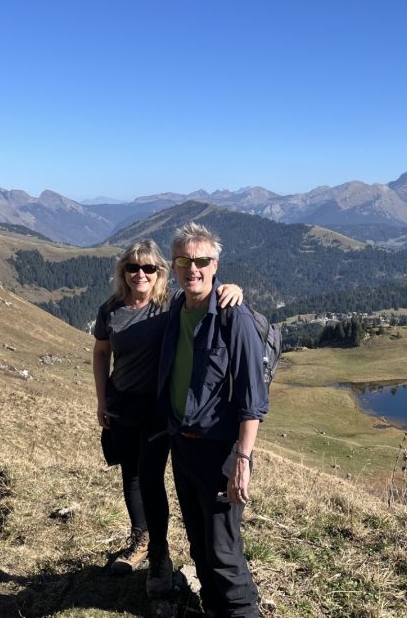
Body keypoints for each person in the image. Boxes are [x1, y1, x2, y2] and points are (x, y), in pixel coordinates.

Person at [93, 239, 243, 598]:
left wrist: (233, 288)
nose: (139, 274)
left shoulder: (168, 306)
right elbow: (101, 352)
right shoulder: (111, 310)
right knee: (130, 476)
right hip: (122, 406)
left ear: (160, 272)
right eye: (132, 267)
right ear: (123, 272)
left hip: (159, 412)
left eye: (148, 268)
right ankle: (141, 541)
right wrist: (102, 400)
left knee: (149, 478)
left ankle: (160, 556)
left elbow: (201, 292)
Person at [158, 223, 268, 617]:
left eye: (202, 261)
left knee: (223, 549)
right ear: (174, 266)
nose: (194, 269)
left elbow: (253, 399)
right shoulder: (175, 308)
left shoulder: (232, 316)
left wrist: (243, 458)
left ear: (215, 263)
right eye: (185, 261)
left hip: (220, 451)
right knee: (198, 542)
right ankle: (214, 609)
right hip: (183, 446)